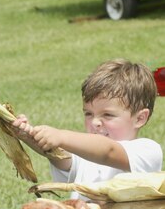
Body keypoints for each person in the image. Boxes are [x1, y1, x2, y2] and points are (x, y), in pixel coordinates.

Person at [13, 59, 163, 199]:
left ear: (139, 118)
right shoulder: (85, 155)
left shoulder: (147, 151)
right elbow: (56, 154)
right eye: (89, 114)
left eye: (108, 115)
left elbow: (108, 151)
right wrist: (28, 135)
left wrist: (61, 136)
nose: (95, 122)